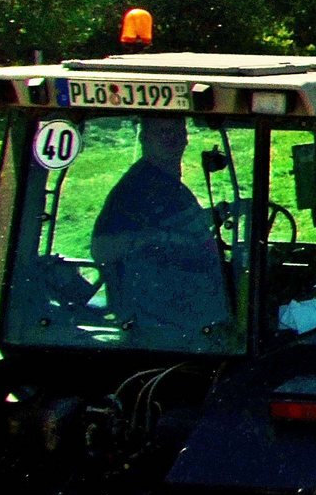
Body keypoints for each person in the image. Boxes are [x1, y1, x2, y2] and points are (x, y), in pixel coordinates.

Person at [89, 116, 232, 340]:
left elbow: (181, 227)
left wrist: (220, 213)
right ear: (145, 138)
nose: (173, 139)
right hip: (164, 320)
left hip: (191, 306)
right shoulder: (136, 189)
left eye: (178, 132)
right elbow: (101, 249)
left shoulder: (168, 185)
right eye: (163, 132)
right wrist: (157, 237)